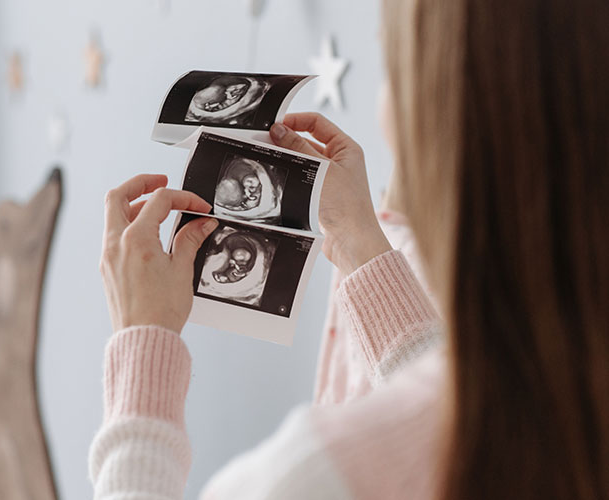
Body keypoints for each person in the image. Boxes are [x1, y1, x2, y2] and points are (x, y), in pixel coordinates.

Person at [89, 0, 609, 498]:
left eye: (392, 70)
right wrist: (358, 237)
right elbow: (453, 408)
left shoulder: (312, 478)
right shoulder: (566, 409)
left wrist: (144, 344)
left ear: (442, 111)